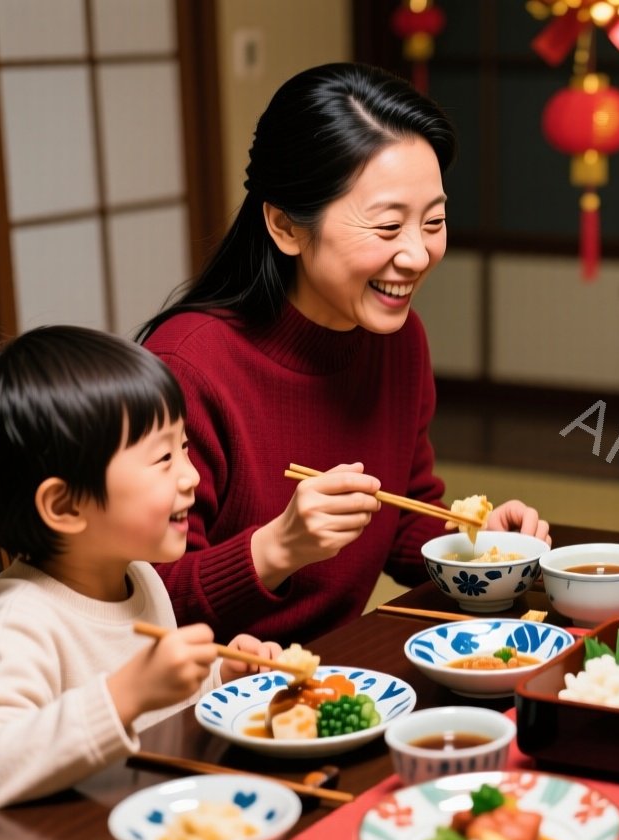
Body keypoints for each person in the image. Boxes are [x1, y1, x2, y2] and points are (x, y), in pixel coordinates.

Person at [138, 63, 549, 642]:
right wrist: (277, 548)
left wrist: (472, 539)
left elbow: (402, 519)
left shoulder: (399, 341)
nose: (417, 254)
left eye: (434, 221)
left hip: (340, 678)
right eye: (386, 228)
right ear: (285, 226)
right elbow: (144, 603)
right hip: (211, 694)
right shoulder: (187, 369)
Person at [0, 326, 282, 840]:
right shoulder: (20, 624)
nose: (190, 477)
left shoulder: (136, 576)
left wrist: (219, 677)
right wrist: (125, 694)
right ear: (66, 506)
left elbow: (152, 713)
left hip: (102, 835)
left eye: (183, 448)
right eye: (163, 459)